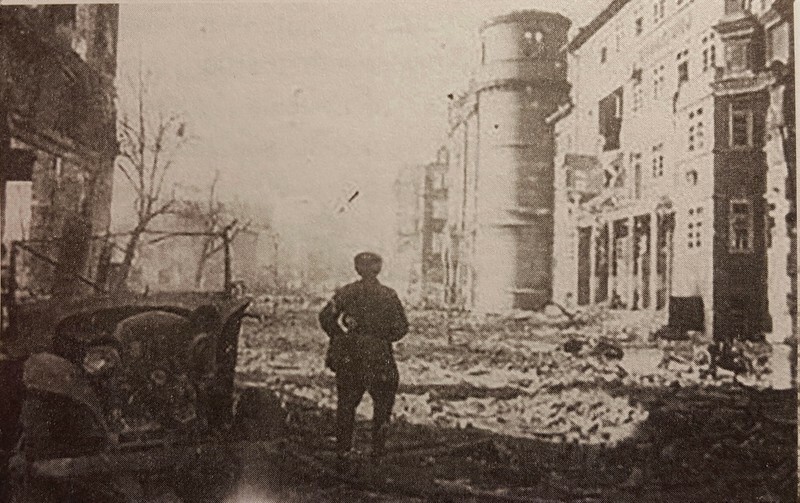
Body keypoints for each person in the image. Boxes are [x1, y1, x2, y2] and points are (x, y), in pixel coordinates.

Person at [319, 252, 408, 459]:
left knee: (346, 405)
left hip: (352, 355)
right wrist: (383, 336)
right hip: (380, 356)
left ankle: (343, 451)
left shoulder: (346, 292)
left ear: (357, 268)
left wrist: (340, 336)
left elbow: (325, 316)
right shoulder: (389, 295)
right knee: (383, 404)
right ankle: (377, 452)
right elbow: (402, 327)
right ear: (379, 269)